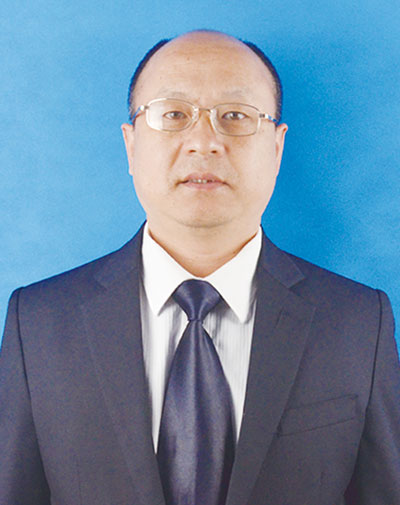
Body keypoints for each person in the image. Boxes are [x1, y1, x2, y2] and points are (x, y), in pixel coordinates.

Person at [0, 29, 399, 505]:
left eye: (235, 116)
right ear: (131, 146)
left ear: (276, 148)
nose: (204, 142)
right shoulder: (39, 324)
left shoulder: (358, 322)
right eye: (173, 114)